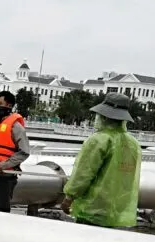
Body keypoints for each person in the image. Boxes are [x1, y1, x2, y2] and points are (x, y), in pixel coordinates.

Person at [60, 92, 142, 229]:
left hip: (93, 208)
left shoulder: (99, 139)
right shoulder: (133, 143)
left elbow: (84, 173)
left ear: (103, 116)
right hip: (118, 210)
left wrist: (69, 197)